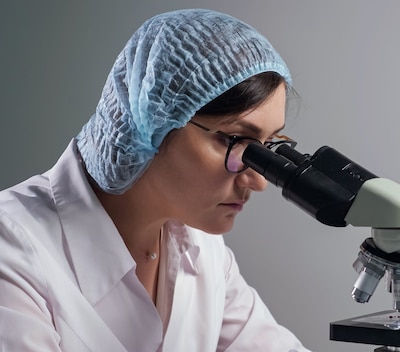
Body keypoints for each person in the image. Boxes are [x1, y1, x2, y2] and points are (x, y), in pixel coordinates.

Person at [0, 8, 311, 352]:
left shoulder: (200, 249)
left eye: (268, 147)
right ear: (154, 119)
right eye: (235, 140)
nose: (258, 180)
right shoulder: (11, 249)